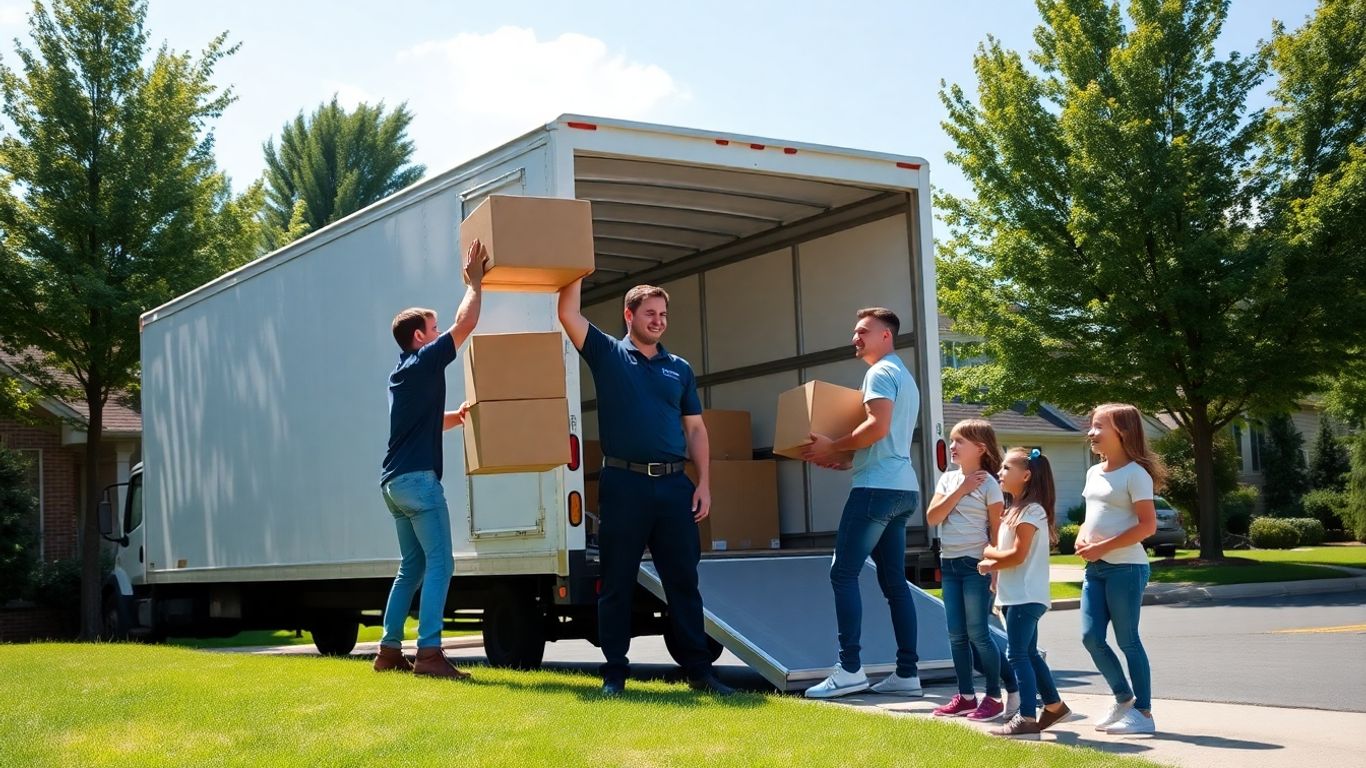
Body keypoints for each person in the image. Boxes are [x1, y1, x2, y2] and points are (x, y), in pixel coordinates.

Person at [556, 278, 733, 697]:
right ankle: (615, 673)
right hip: (623, 484)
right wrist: (577, 269)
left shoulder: (680, 368)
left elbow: (695, 429)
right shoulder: (608, 354)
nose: (658, 321)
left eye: (663, 315)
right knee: (616, 583)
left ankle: (699, 673)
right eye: (650, 313)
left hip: (674, 486)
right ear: (629, 315)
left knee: (683, 584)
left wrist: (704, 483)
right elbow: (568, 314)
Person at [373, 239, 487, 679]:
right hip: (419, 483)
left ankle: (387, 650)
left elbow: (421, 424)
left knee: (413, 565)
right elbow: (468, 320)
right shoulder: (423, 361)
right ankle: (430, 654)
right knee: (441, 562)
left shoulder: (400, 374)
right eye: (433, 329)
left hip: (393, 485)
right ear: (419, 337)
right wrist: (474, 281)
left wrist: (456, 418)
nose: (440, 335)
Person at [800, 308, 922, 699]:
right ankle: (907, 674)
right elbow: (887, 441)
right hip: (902, 489)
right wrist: (845, 460)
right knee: (894, 583)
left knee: (842, 573)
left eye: (863, 331)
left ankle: (849, 669)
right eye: (855, 331)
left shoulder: (880, 373)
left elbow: (877, 427)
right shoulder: (905, 376)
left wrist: (832, 444)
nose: (855, 337)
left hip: (875, 490)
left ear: (886, 336)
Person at [1076, 403, 1165, 734]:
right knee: (1090, 637)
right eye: (1091, 425)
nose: (1091, 432)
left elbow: (1147, 526)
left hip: (1126, 569)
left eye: (1099, 426)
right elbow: (1092, 515)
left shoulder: (1136, 474)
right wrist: (1084, 538)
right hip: (1095, 570)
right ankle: (1123, 698)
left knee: (1127, 640)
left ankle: (1143, 714)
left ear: (1123, 432)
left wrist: (1101, 546)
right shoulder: (1092, 472)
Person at [926, 419, 1019, 721]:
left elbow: (996, 529)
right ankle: (966, 696)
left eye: (959, 442)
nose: (952, 447)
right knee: (956, 634)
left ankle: (994, 696)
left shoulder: (991, 484)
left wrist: (995, 568)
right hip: (949, 564)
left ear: (980, 448)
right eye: (952, 441)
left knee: (979, 633)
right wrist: (962, 489)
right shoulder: (948, 480)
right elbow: (933, 517)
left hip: (975, 565)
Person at [978, 448, 1070, 737]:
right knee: (1028, 652)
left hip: (1025, 596)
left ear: (1026, 475)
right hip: (1017, 594)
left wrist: (990, 555)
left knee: (1017, 654)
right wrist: (996, 571)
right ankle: (1054, 706)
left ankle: (1027, 717)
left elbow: (1017, 555)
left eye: (1006, 468)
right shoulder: (1016, 510)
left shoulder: (1031, 511)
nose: (999, 473)